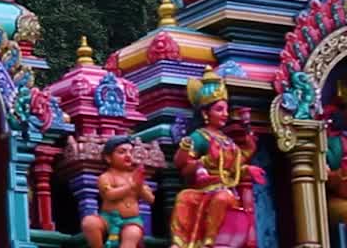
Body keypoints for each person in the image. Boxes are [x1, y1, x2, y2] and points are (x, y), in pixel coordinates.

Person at [169, 67, 262, 248]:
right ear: (205, 113)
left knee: (222, 197)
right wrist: (200, 162)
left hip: (225, 190)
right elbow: (182, 165)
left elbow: (234, 166)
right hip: (203, 189)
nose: (225, 114)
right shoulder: (200, 136)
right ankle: (180, 243)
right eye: (219, 110)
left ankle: (209, 241)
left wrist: (249, 158)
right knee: (184, 197)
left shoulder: (227, 141)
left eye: (226, 110)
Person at [82, 136, 154, 248]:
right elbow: (109, 195)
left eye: (131, 152)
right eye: (122, 152)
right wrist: (131, 186)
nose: (128, 155)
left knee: (132, 234)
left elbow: (150, 199)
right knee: (89, 222)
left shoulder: (135, 177)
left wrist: (139, 187)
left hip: (131, 221)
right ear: (108, 158)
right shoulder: (106, 177)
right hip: (107, 219)